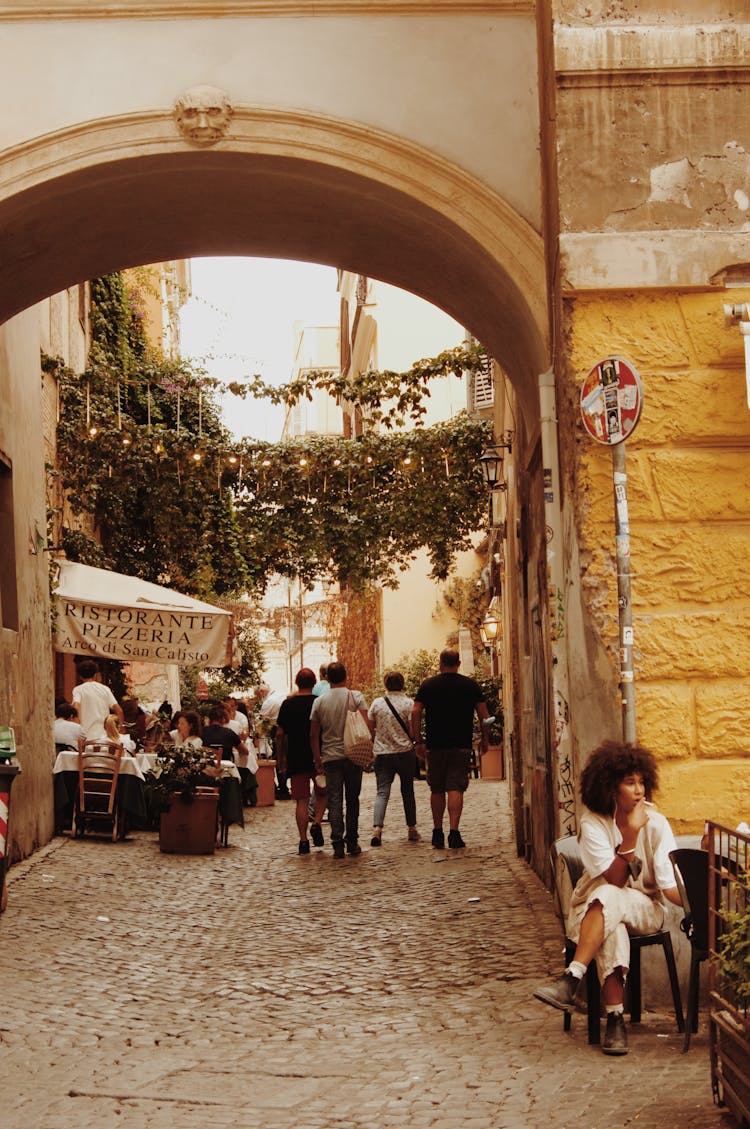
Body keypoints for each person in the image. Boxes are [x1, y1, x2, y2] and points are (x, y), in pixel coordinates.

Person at [533, 740, 682, 1056]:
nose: (639, 790)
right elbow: (613, 878)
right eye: (630, 782)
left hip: (646, 906)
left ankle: (572, 978)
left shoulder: (656, 824)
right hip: (591, 909)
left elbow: (668, 888)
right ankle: (615, 1019)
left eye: (642, 782)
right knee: (609, 914)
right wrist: (628, 836)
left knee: (608, 896)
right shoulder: (593, 822)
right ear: (611, 786)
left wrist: (705, 896)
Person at [411, 649, 489, 850]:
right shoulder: (470, 685)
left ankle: (437, 833)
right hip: (461, 744)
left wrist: (417, 740)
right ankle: (454, 833)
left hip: (435, 745)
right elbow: (484, 715)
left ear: (440, 663)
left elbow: (415, 711)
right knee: (455, 787)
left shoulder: (428, 685)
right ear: (459, 663)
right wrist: (485, 738)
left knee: (436, 788)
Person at [310, 661, 368, 858]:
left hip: (330, 755)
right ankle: (352, 841)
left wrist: (317, 758)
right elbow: (367, 727)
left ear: (327, 678)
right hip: (354, 754)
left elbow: (313, 733)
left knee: (334, 799)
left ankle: (337, 843)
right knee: (353, 800)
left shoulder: (319, 701)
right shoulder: (356, 696)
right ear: (346, 675)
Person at [276, 668, 328, 855]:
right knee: (323, 793)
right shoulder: (319, 703)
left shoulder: (288, 705)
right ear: (314, 683)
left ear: (297, 683)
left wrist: (280, 757)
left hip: (296, 756)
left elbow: (280, 733)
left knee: (301, 800)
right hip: (318, 755)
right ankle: (317, 822)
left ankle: (303, 840)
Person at [368, 671, 419, 846]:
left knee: (382, 792)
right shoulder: (408, 703)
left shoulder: (377, 704)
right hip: (405, 751)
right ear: (402, 683)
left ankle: (377, 829)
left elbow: (370, 728)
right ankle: (412, 829)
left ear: (386, 684)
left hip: (383, 753)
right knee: (407, 790)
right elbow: (412, 731)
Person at [72, 659, 124, 740]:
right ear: (95, 675)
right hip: (105, 738)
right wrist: (118, 730)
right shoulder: (105, 689)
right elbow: (119, 710)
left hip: (87, 737)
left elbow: (75, 707)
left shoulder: (78, 690)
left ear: (80, 676)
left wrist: (77, 729)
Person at [259, 682, 290, 798]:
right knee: (284, 757)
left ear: (262, 692)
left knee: (278, 758)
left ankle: (282, 787)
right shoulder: (280, 695)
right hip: (288, 731)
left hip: (277, 731)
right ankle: (283, 786)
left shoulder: (268, 702)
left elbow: (262, 721)